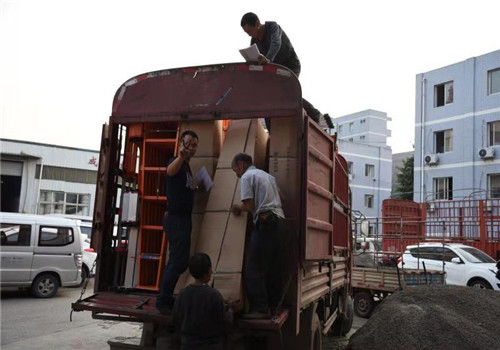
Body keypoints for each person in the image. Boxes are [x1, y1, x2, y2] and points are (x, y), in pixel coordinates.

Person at [240, 12, 322, 124]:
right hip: (274, 71)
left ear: (258, 23)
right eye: (246, 33)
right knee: (268, 96)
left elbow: (276, 43)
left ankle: (314, 113)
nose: (249, 35)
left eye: (249, 31)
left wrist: (268, 58)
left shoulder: (273, 27)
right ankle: (271, 131)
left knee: (287, 92)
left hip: (290, 66)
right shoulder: (254, 41)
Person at [231, 153, 285, 319]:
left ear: (240, 165)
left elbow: (249, 205)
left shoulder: (247, 177)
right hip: (279, 221)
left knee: (253, 267)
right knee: (270, 268)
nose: (237, 174)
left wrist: (238, 208)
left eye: (235, 170)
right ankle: (273, 306)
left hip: (266, 221)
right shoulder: (267, 176)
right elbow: (281, 197)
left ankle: (260, 309)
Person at [156, 130, 199, 315]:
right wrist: (181, 157)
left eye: (195, 145)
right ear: (182, 143)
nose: (191, 147)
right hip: (176, 218)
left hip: (183, 219)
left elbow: (186, 187)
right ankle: (163, 301)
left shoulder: (187, 167)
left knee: (179, 261)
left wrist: (197, 185)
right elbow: (170, 171)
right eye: (188, 143)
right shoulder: (177, 162)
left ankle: (165, 297)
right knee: (177, 262)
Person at [173, 253, 229, 350]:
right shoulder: (214, 295)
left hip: (188, 345)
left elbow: (176, 318)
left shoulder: (182, 294)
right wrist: (231, 311)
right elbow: (223, 320)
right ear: (208, 271)